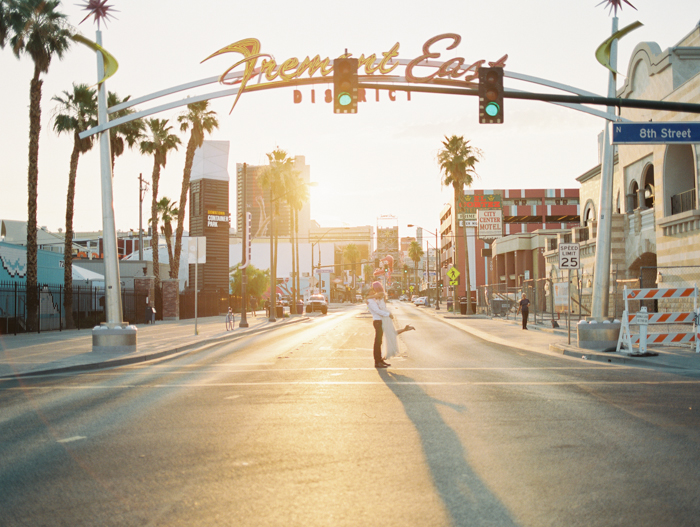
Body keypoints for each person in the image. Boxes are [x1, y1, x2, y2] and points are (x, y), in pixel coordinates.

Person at [367, 282, 415, 368]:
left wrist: (368, 297)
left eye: (372, 288)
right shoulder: (372, 300)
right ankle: (377, 362)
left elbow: (377, 303)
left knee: (383, 339)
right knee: (378, 342)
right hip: (378, 321)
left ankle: (380, 360)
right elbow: (377, 311)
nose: (372, 290)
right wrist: (387, 314)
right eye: (371, 290)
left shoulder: (378, 295)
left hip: (381, 320)